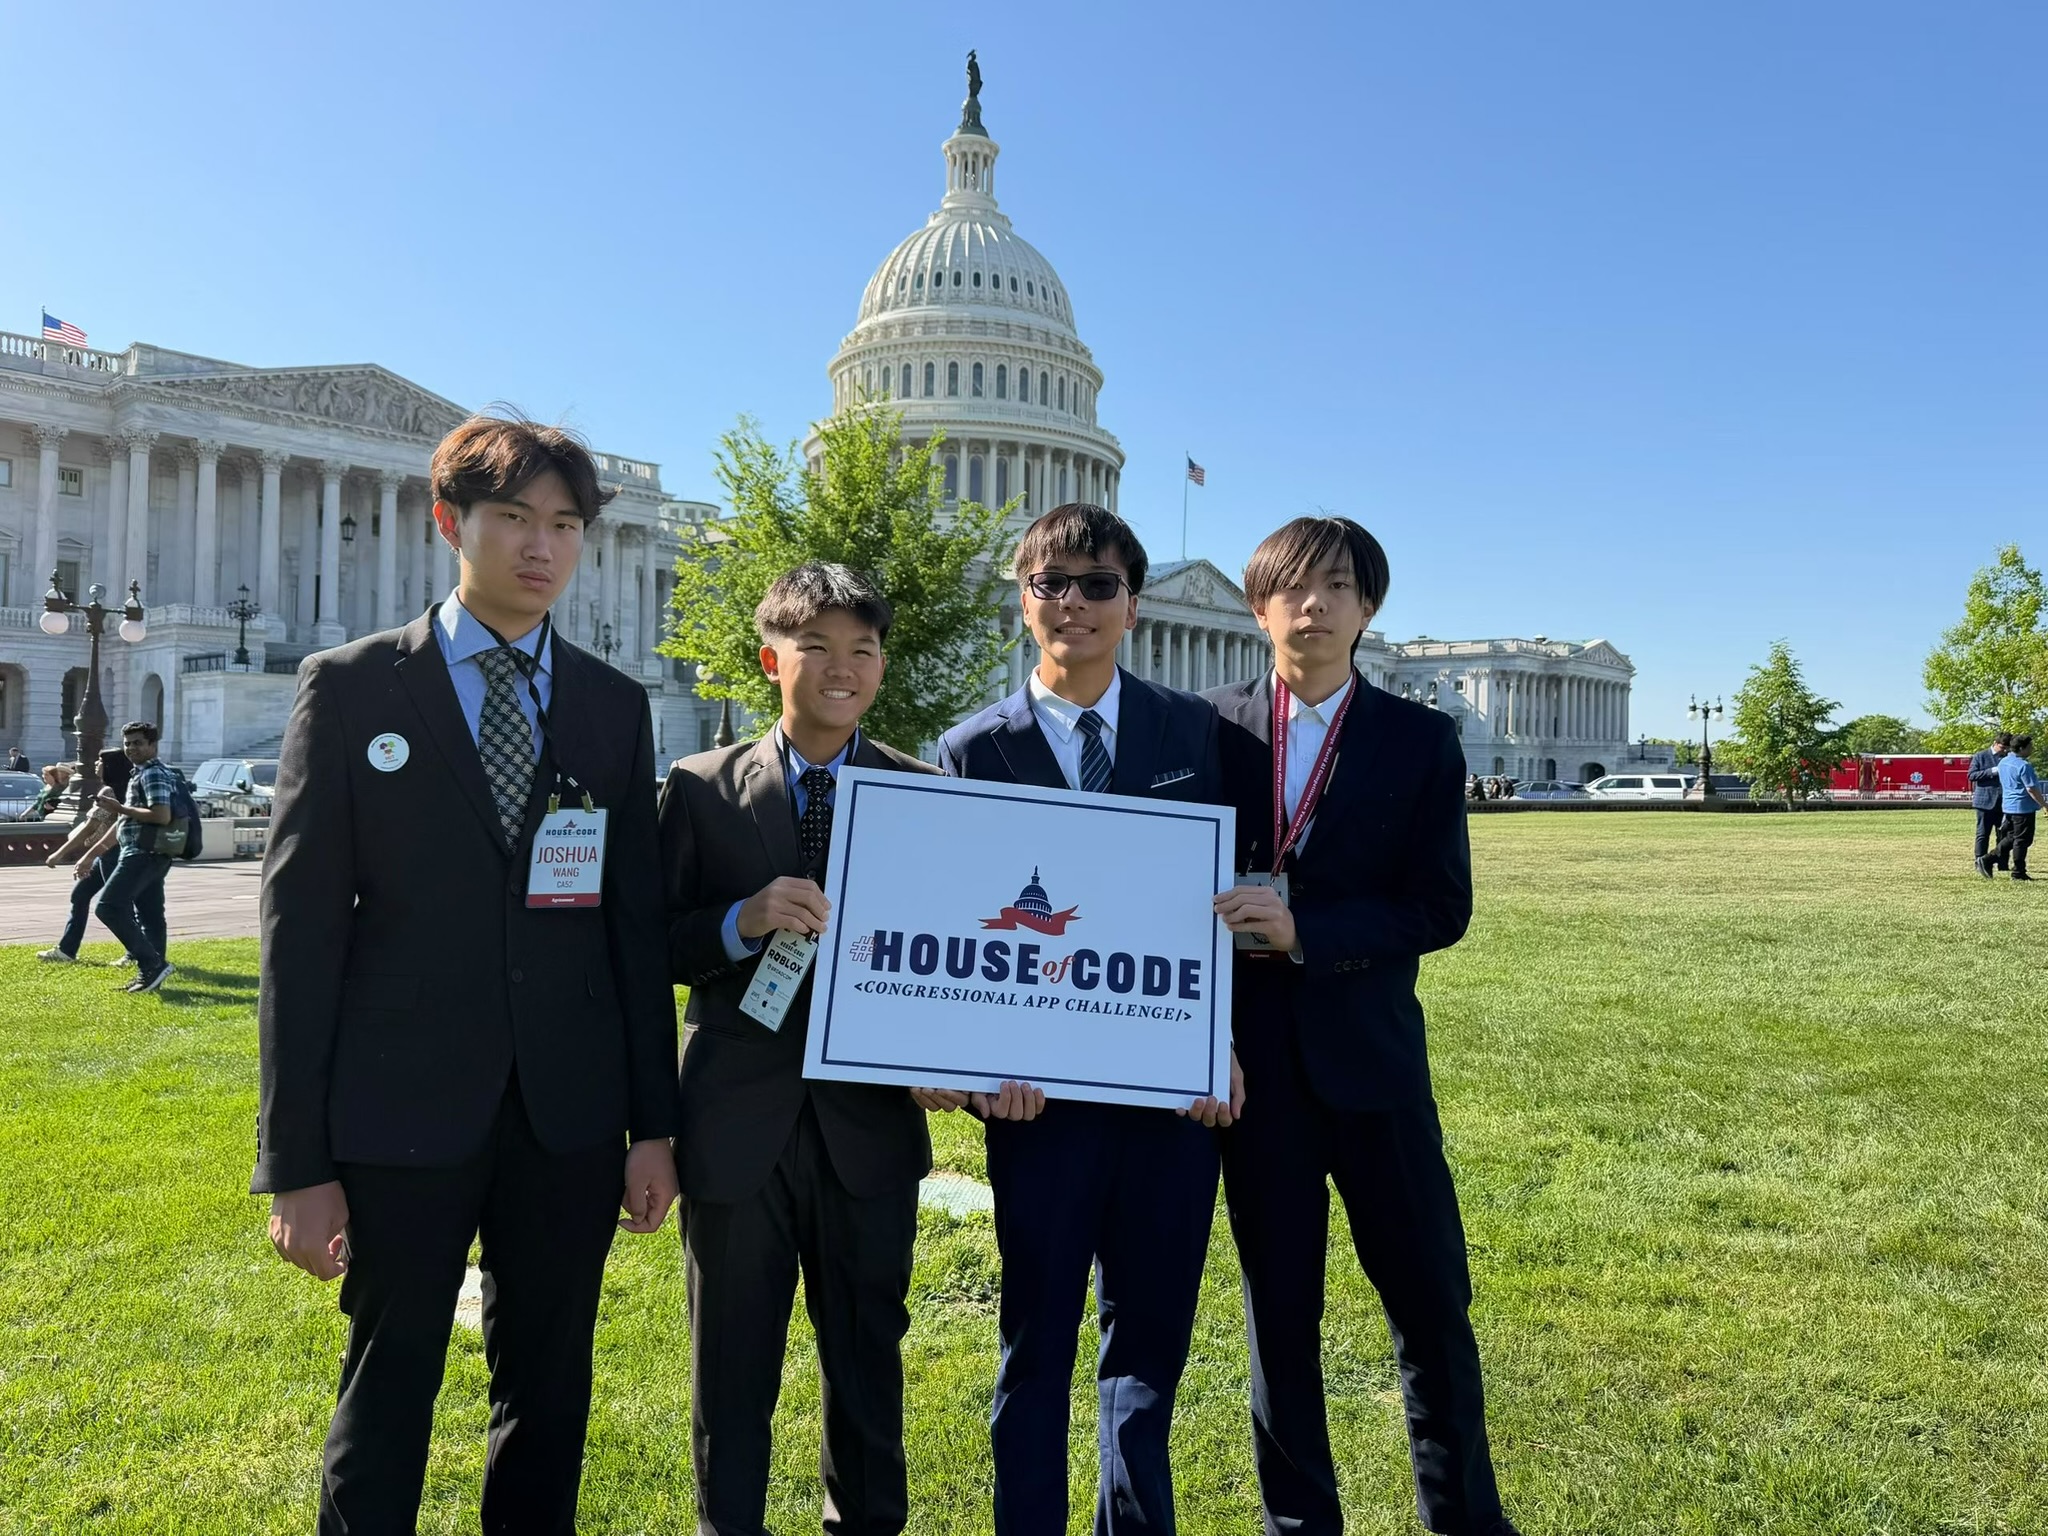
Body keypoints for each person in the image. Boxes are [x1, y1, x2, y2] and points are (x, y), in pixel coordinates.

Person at [252, 414, 680, 1534]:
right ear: (452, 522)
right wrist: (295, 1161)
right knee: (386, 1387)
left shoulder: (609, 705)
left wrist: (650, 1123)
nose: (541, 548)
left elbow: (630, 930)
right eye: (512, 520)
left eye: (564, 527)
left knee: (548, 1395)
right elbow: (300, 934)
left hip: (566, 1116)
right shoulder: (349, 689)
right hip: (399, 1110)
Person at [1207, 516, 1519, 1536]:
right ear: (1257, 607)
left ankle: (1463, 1518)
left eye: (1337, 586)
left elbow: (1439, 907)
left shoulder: (1417, 739)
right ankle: (1298, 1524)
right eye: (1291, 587)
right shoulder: (1206, 731)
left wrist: (1308, 932)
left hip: (1374, 1068)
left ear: (1367, 608)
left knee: (1430, 1307)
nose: (1313, 604)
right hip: (1255, 1078)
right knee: (1278, 1320)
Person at [935, 502, 1237, 1536]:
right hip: (1041, 1106)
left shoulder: (1193, 732)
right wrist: (978, 1068)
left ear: (1133, 606)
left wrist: (1217, 1040)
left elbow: (1216, 903)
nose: (1072, 603)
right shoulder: (971, 752)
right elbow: (956, 932)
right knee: (1035, 1346)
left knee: (1146, 1354)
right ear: (1022, 603)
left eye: (1096, 585)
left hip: (1166, 1100)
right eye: (1049, 584)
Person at [655, 561, 937, 1536]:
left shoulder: (923, 794)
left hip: (870, 1136)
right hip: (735, 1132)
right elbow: (648, 942)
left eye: (862, 649)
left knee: (867, 1370)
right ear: (771, 658)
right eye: (816, 646)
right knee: (729, 1374)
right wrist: (738, 919)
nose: (841, 667)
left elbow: (951, 960)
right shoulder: (699, 790)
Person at [90, 721, 179, 993]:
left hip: (144, 852)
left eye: (138, 743)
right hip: (149, 851)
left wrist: (120, 808)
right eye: (127, 743)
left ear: (153, 744)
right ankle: (152, 974)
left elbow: (161, 815)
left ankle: (151, 964)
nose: (131, 748)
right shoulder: (141, 772)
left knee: (108, 907)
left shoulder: (152, 773)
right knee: (150, 913)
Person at [35, 798, 126, 964]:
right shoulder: (112, 791)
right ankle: (67, 950)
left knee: (117, 905)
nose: (97, 769)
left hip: (113, 854)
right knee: (80, 895)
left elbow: (89, 828)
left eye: (99, 768)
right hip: (105, 854)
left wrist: (58, 854)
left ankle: (136, 952)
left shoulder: (108, 792)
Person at [1984, 732, 2047, 881]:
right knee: (2022, 840)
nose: (2032, 749)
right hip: (2022, 807)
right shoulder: (2024, 765)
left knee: (2013, 837)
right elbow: (2031, 788)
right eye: (2030, 746)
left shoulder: (2003, 762)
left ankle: (1988, 858)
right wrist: (2044, 805)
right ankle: (2018, 871)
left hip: (2009, 806)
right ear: (2021, 748)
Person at [1968, 732, 2011, 872]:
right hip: (1984, 802)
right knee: (1983, 834)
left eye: (2007, 748)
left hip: (2003, 802)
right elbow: (1972, 775)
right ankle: (1979, 861)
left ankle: (2002, 863)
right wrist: (1992, 771)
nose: (2004, 750)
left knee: (2003, 835)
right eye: (2002, 747)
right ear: (1995, 743)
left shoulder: (2008, 758)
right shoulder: (1980, 756)